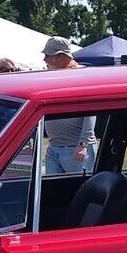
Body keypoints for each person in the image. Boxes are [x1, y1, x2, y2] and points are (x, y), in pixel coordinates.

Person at [41, 37, 94, 173]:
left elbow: (90, 112)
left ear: (60, 56)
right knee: (54, 191)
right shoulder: (53, 77)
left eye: (48, 56)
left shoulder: (81, 77)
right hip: (54, 147)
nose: (44, 59)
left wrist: (83, 144)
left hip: (76, 148)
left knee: (78, 191)